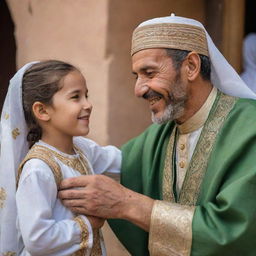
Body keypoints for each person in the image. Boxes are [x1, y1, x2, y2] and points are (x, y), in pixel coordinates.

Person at [59, 15, 256, 256]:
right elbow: (107, 161)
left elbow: (237, 233)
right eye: (137, 76)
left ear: (191, 66)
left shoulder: (250, 128)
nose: (139, 89)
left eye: (149, 73)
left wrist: (126, 204)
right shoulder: (159, 135)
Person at [0, 60, 121, 255]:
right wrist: (87, 224)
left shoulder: (82, 150)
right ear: (42, 110)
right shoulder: (38, 168)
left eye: (86, 96)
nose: (88, 105)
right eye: (75, 97)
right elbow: (38, 239)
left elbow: (124, 162)